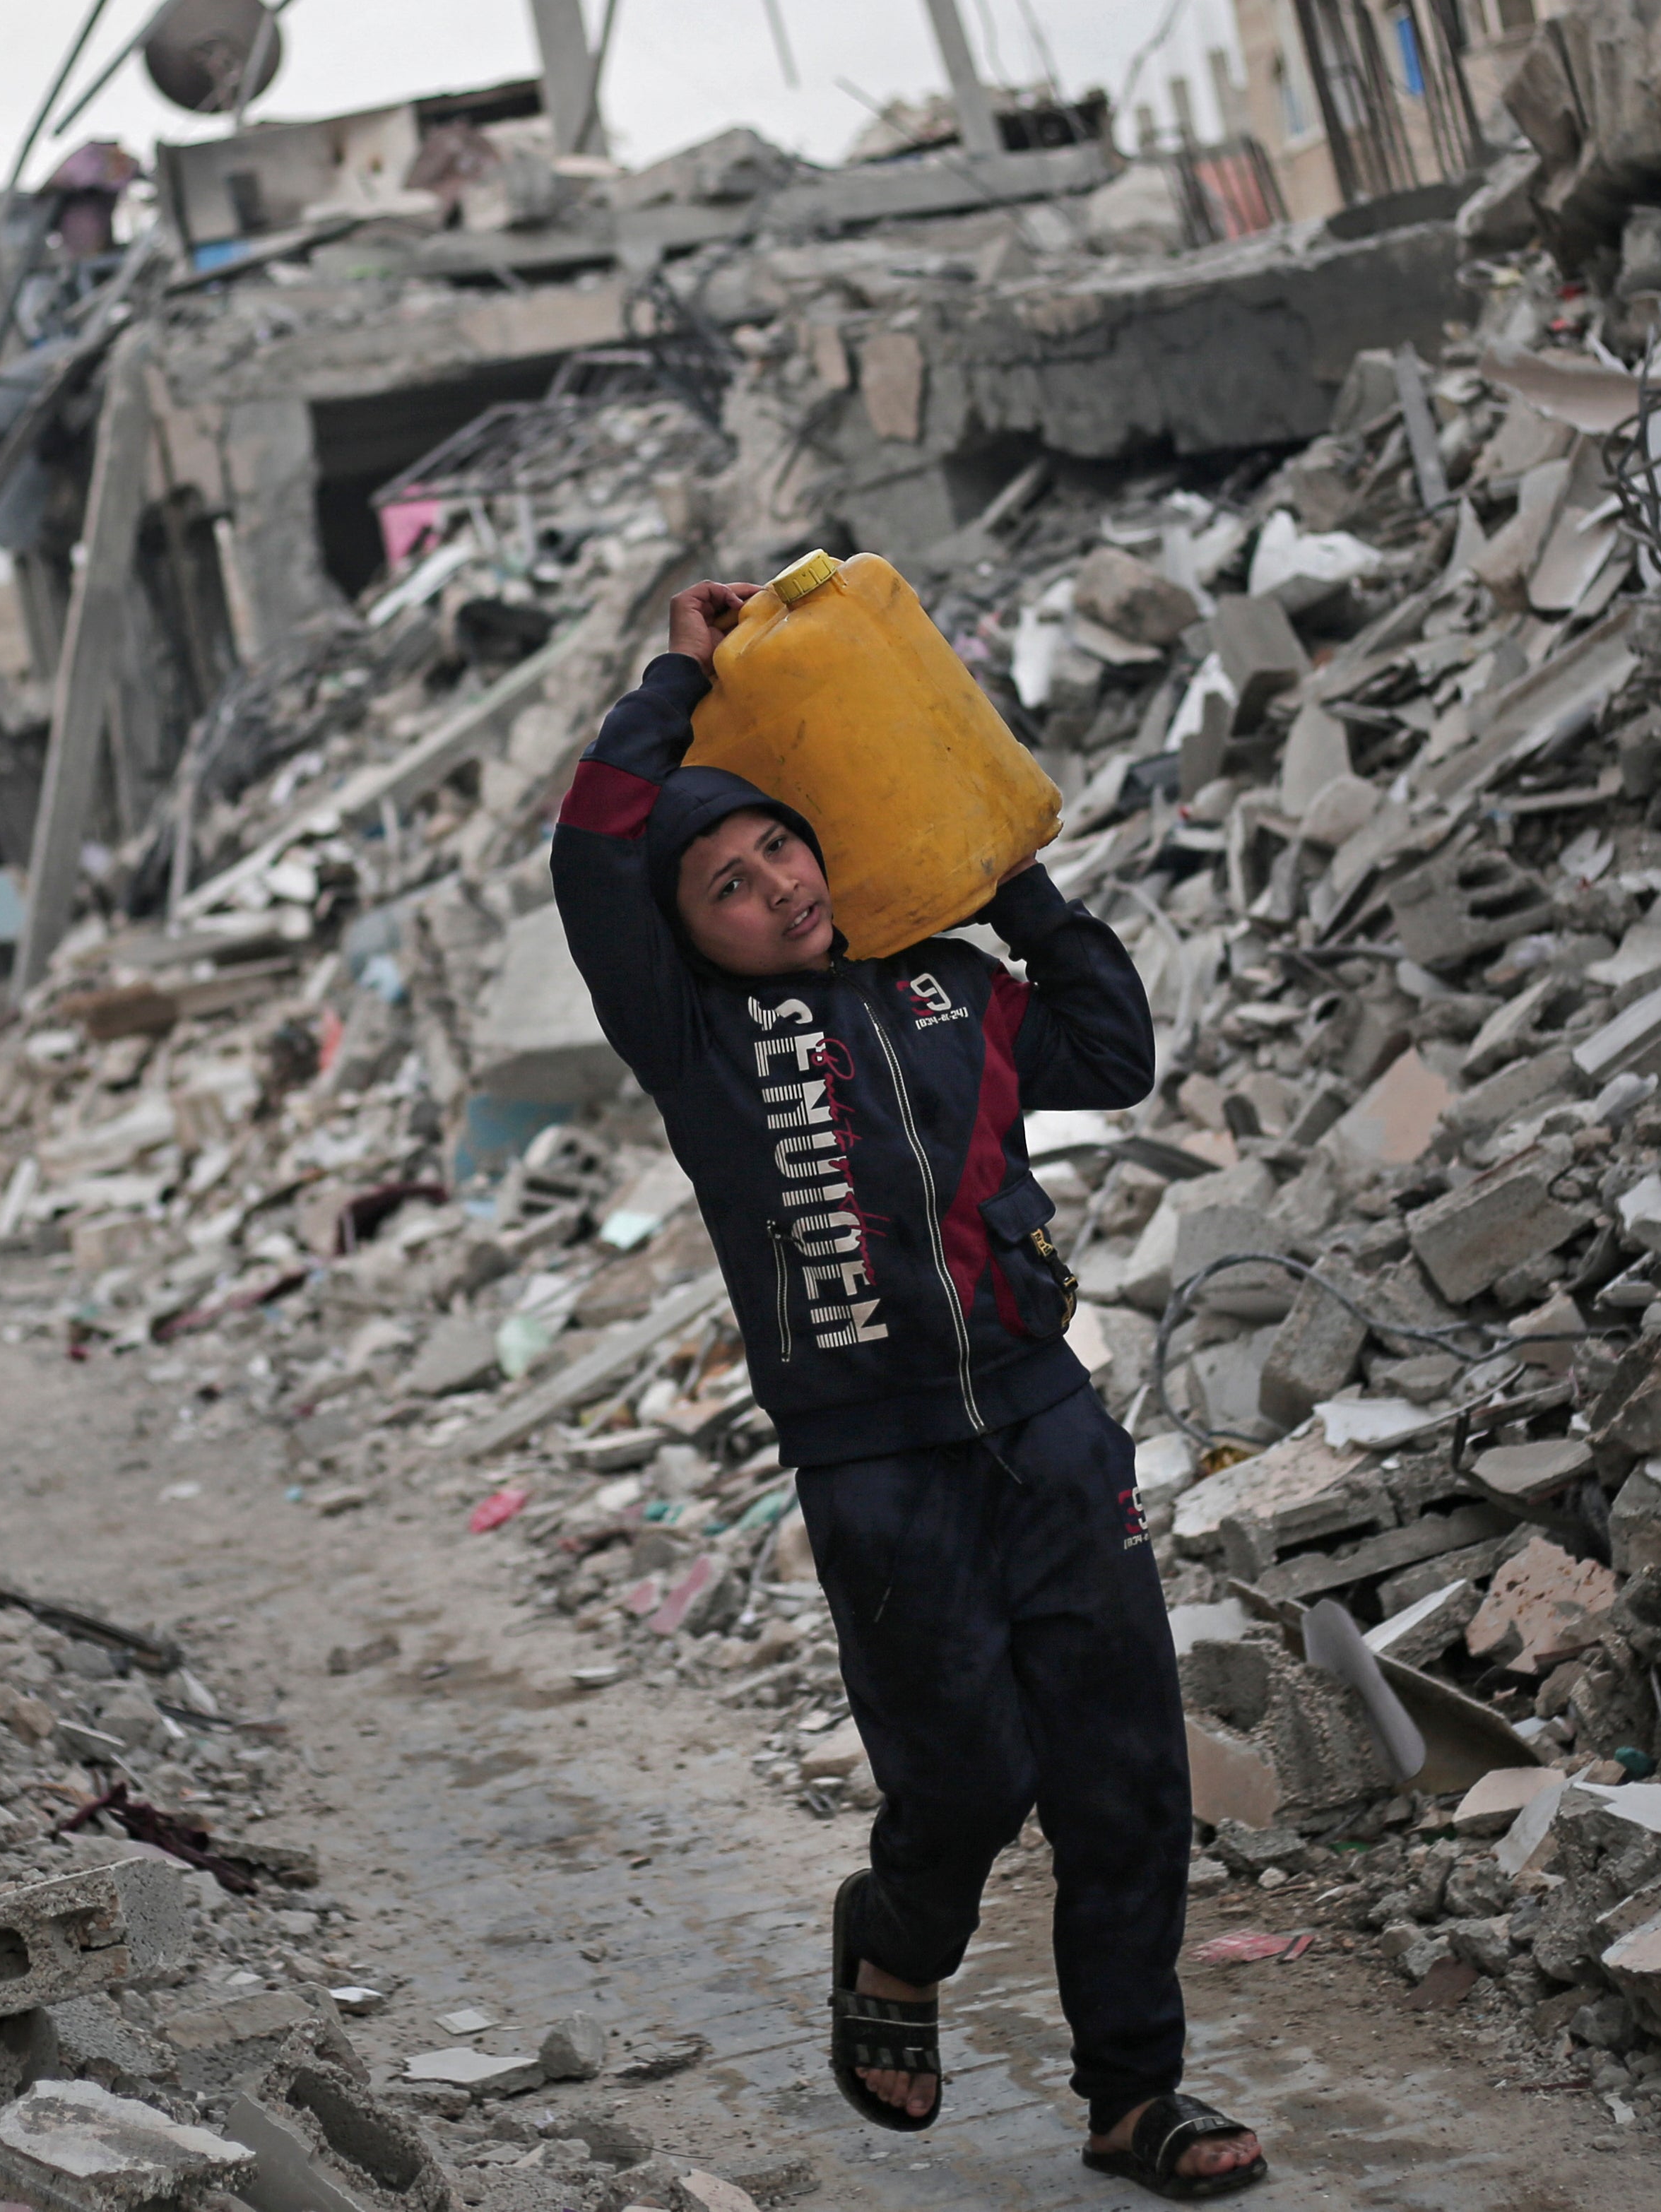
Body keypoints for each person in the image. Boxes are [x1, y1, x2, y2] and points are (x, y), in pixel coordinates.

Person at [549, 581, 1265, 2199]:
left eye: (780, 851)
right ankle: (893, 1938)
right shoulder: (696, 1041)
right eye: (726, 887)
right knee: (966, 1776)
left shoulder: (952, 988)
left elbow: (1114, 1043)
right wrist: (675, 672)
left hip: (1041, 1422)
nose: (770, 889)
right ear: (690, 933)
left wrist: (1000, 865)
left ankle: (1131, 2097)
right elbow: (592, 843)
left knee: (1123, 1768)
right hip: (876, 1467)